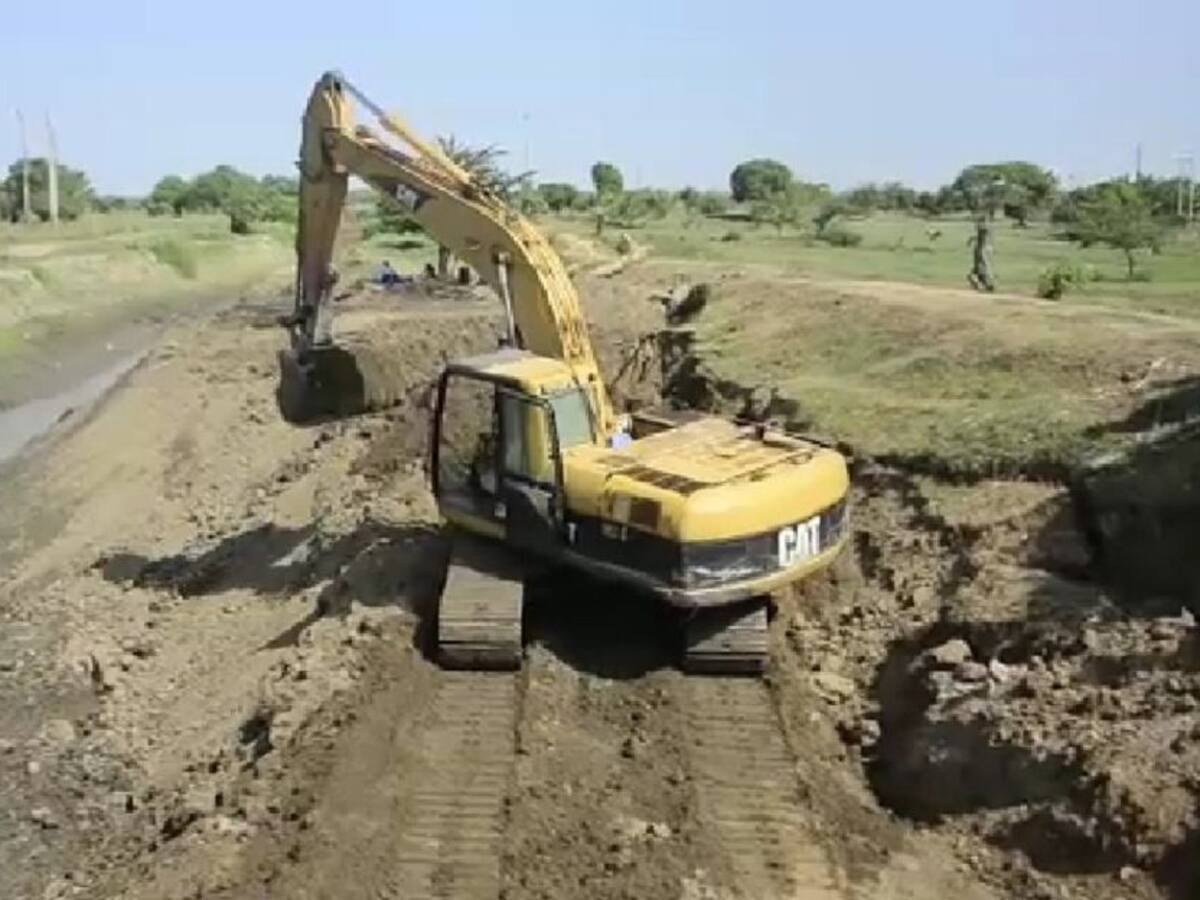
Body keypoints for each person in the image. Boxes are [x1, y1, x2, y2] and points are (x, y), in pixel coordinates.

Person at [967, 217, 995, 292]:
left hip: (981, 250)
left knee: (981, 268)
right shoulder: (982, 233)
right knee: (976, 270)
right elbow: (980, 236)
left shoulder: (983, 230)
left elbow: (983, 233)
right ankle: (984, 284)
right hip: (980, 249)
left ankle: (987, 284)